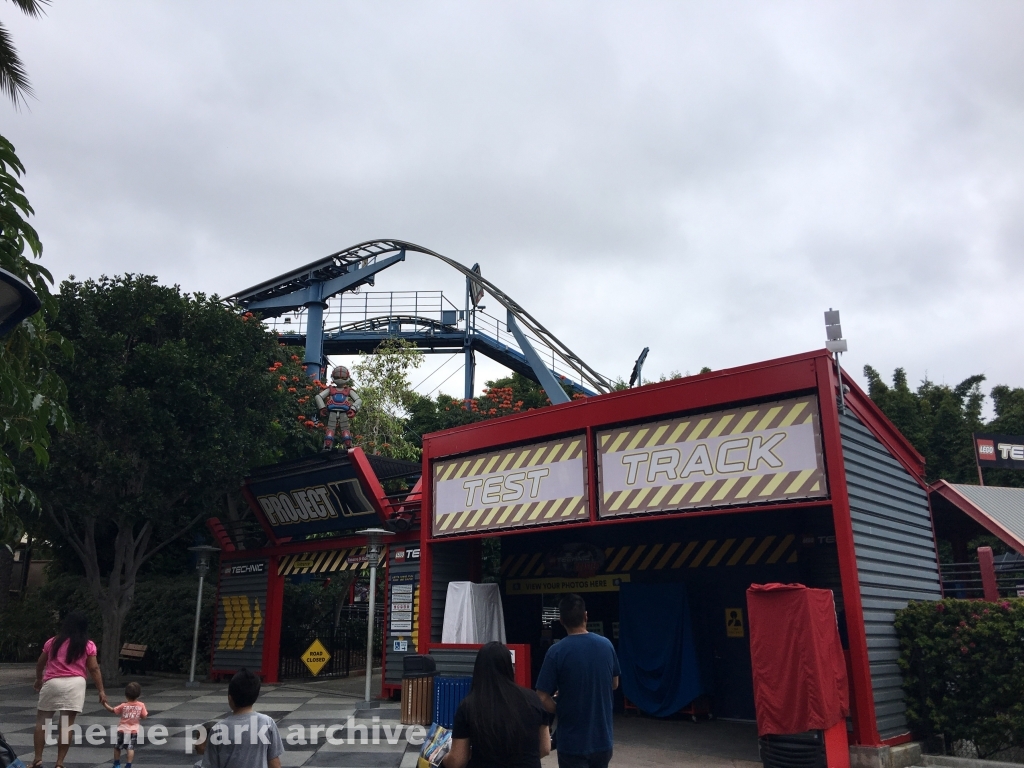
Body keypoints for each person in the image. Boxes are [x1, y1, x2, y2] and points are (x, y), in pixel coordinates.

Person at [536, 594, 620, 768]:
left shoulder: (556, 652)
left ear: (561, 620)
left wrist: (562, 707)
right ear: (586, 616)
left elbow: (542, 697)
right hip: (603, 740)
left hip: (571, 743)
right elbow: (614, 683)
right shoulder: (607, 646)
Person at [444, 642, 551, 768]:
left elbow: (457, 760)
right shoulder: (533, 699)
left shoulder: (469, 706)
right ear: (510, 668)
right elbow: (545, 748)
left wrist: (442, 758)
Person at [32, 611, 107, 768]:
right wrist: (101, 690)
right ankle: (59, 763)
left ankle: (38, 758)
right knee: (66, 724)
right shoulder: (87, 645)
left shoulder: (52, 642)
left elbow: (40, 663)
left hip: (52, 683)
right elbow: (93, 668)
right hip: (75, 684)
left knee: (43, 722)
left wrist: (39, 679)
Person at [203, 668, 283, 768]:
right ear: (255, 697)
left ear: (230, 698)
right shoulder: (267, 722)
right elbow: (274, 762)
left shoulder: (218, 729)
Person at [102, 682, 148, 768]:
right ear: (139, 695)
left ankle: (117, 764)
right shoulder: (141, 705)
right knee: (130, 748)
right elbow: (144, 716)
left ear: (126, 695)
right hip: (133, 731)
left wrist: (104, 704)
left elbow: (113, 710)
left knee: (117, 747)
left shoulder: (123, 706)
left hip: (122, 730)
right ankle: (128, 765)